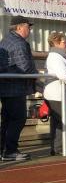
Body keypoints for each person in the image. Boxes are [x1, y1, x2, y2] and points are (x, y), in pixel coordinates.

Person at [0, 16, 37, 161]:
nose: (30, 30)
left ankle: (4, 150)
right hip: (15, 88)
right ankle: (10, 150)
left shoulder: (6, 40)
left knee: (7, 120)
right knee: (18, 119)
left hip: (6, 88)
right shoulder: (19, 43)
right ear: (19, 27)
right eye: (28, 27)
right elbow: (25, 67)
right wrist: (38, 78)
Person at [43, 31, 66, 156]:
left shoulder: (62, 56)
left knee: (58, 121)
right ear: (56, 43)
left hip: (60, 93)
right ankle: (59, 148)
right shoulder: (55, 57)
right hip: (56, 94)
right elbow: (64, 74)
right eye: (64, 42)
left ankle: (56, 148)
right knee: (65, 121)